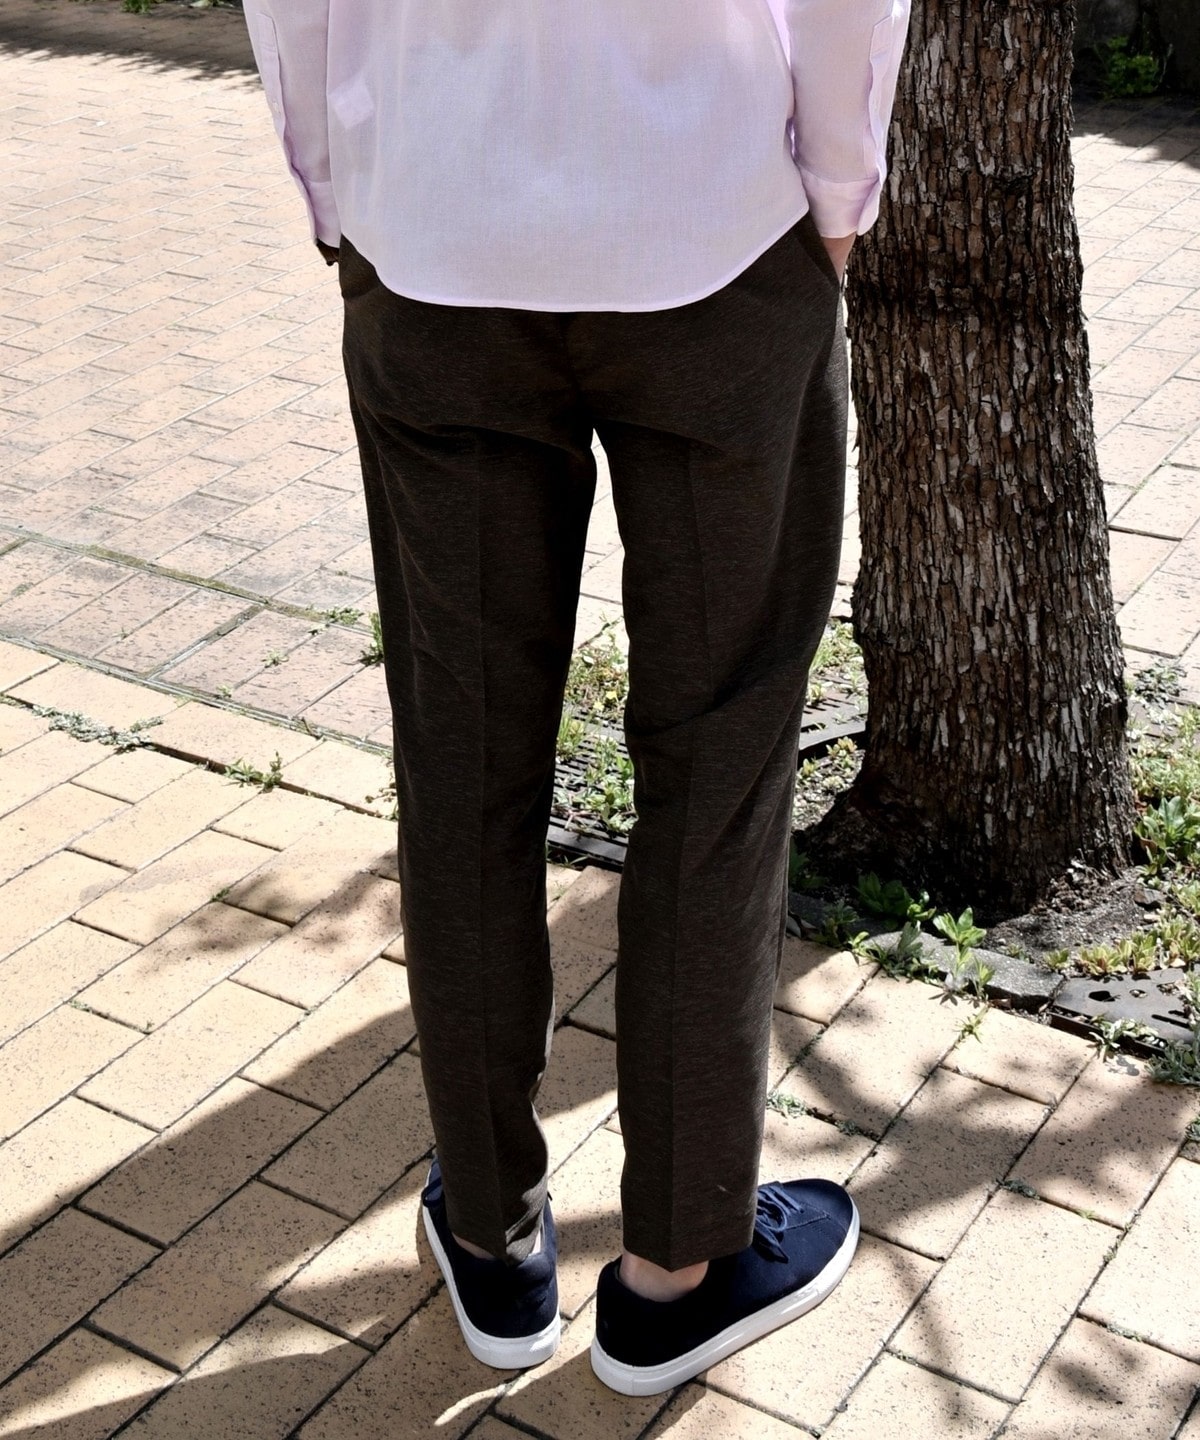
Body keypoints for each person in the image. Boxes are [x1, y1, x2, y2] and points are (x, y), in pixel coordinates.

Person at [243, 0, 910, 1397]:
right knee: (719, 759)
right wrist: (841, 186)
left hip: (433, 227)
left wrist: (337, 184)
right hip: (716, 217)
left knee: (464, 756)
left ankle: (490, 1236)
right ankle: (677, 1272)